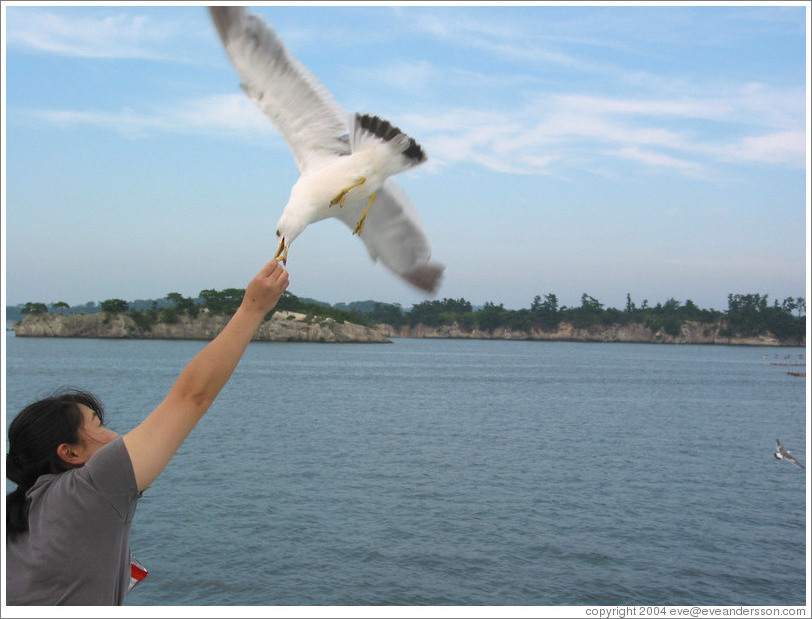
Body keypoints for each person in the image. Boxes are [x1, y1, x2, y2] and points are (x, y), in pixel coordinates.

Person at [5, 259, 290, 605]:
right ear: (70, 453)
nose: (115, 436)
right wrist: (253, 308)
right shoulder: (88, 491)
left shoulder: (21, 515)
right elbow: (192, 398)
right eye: (98, 426)